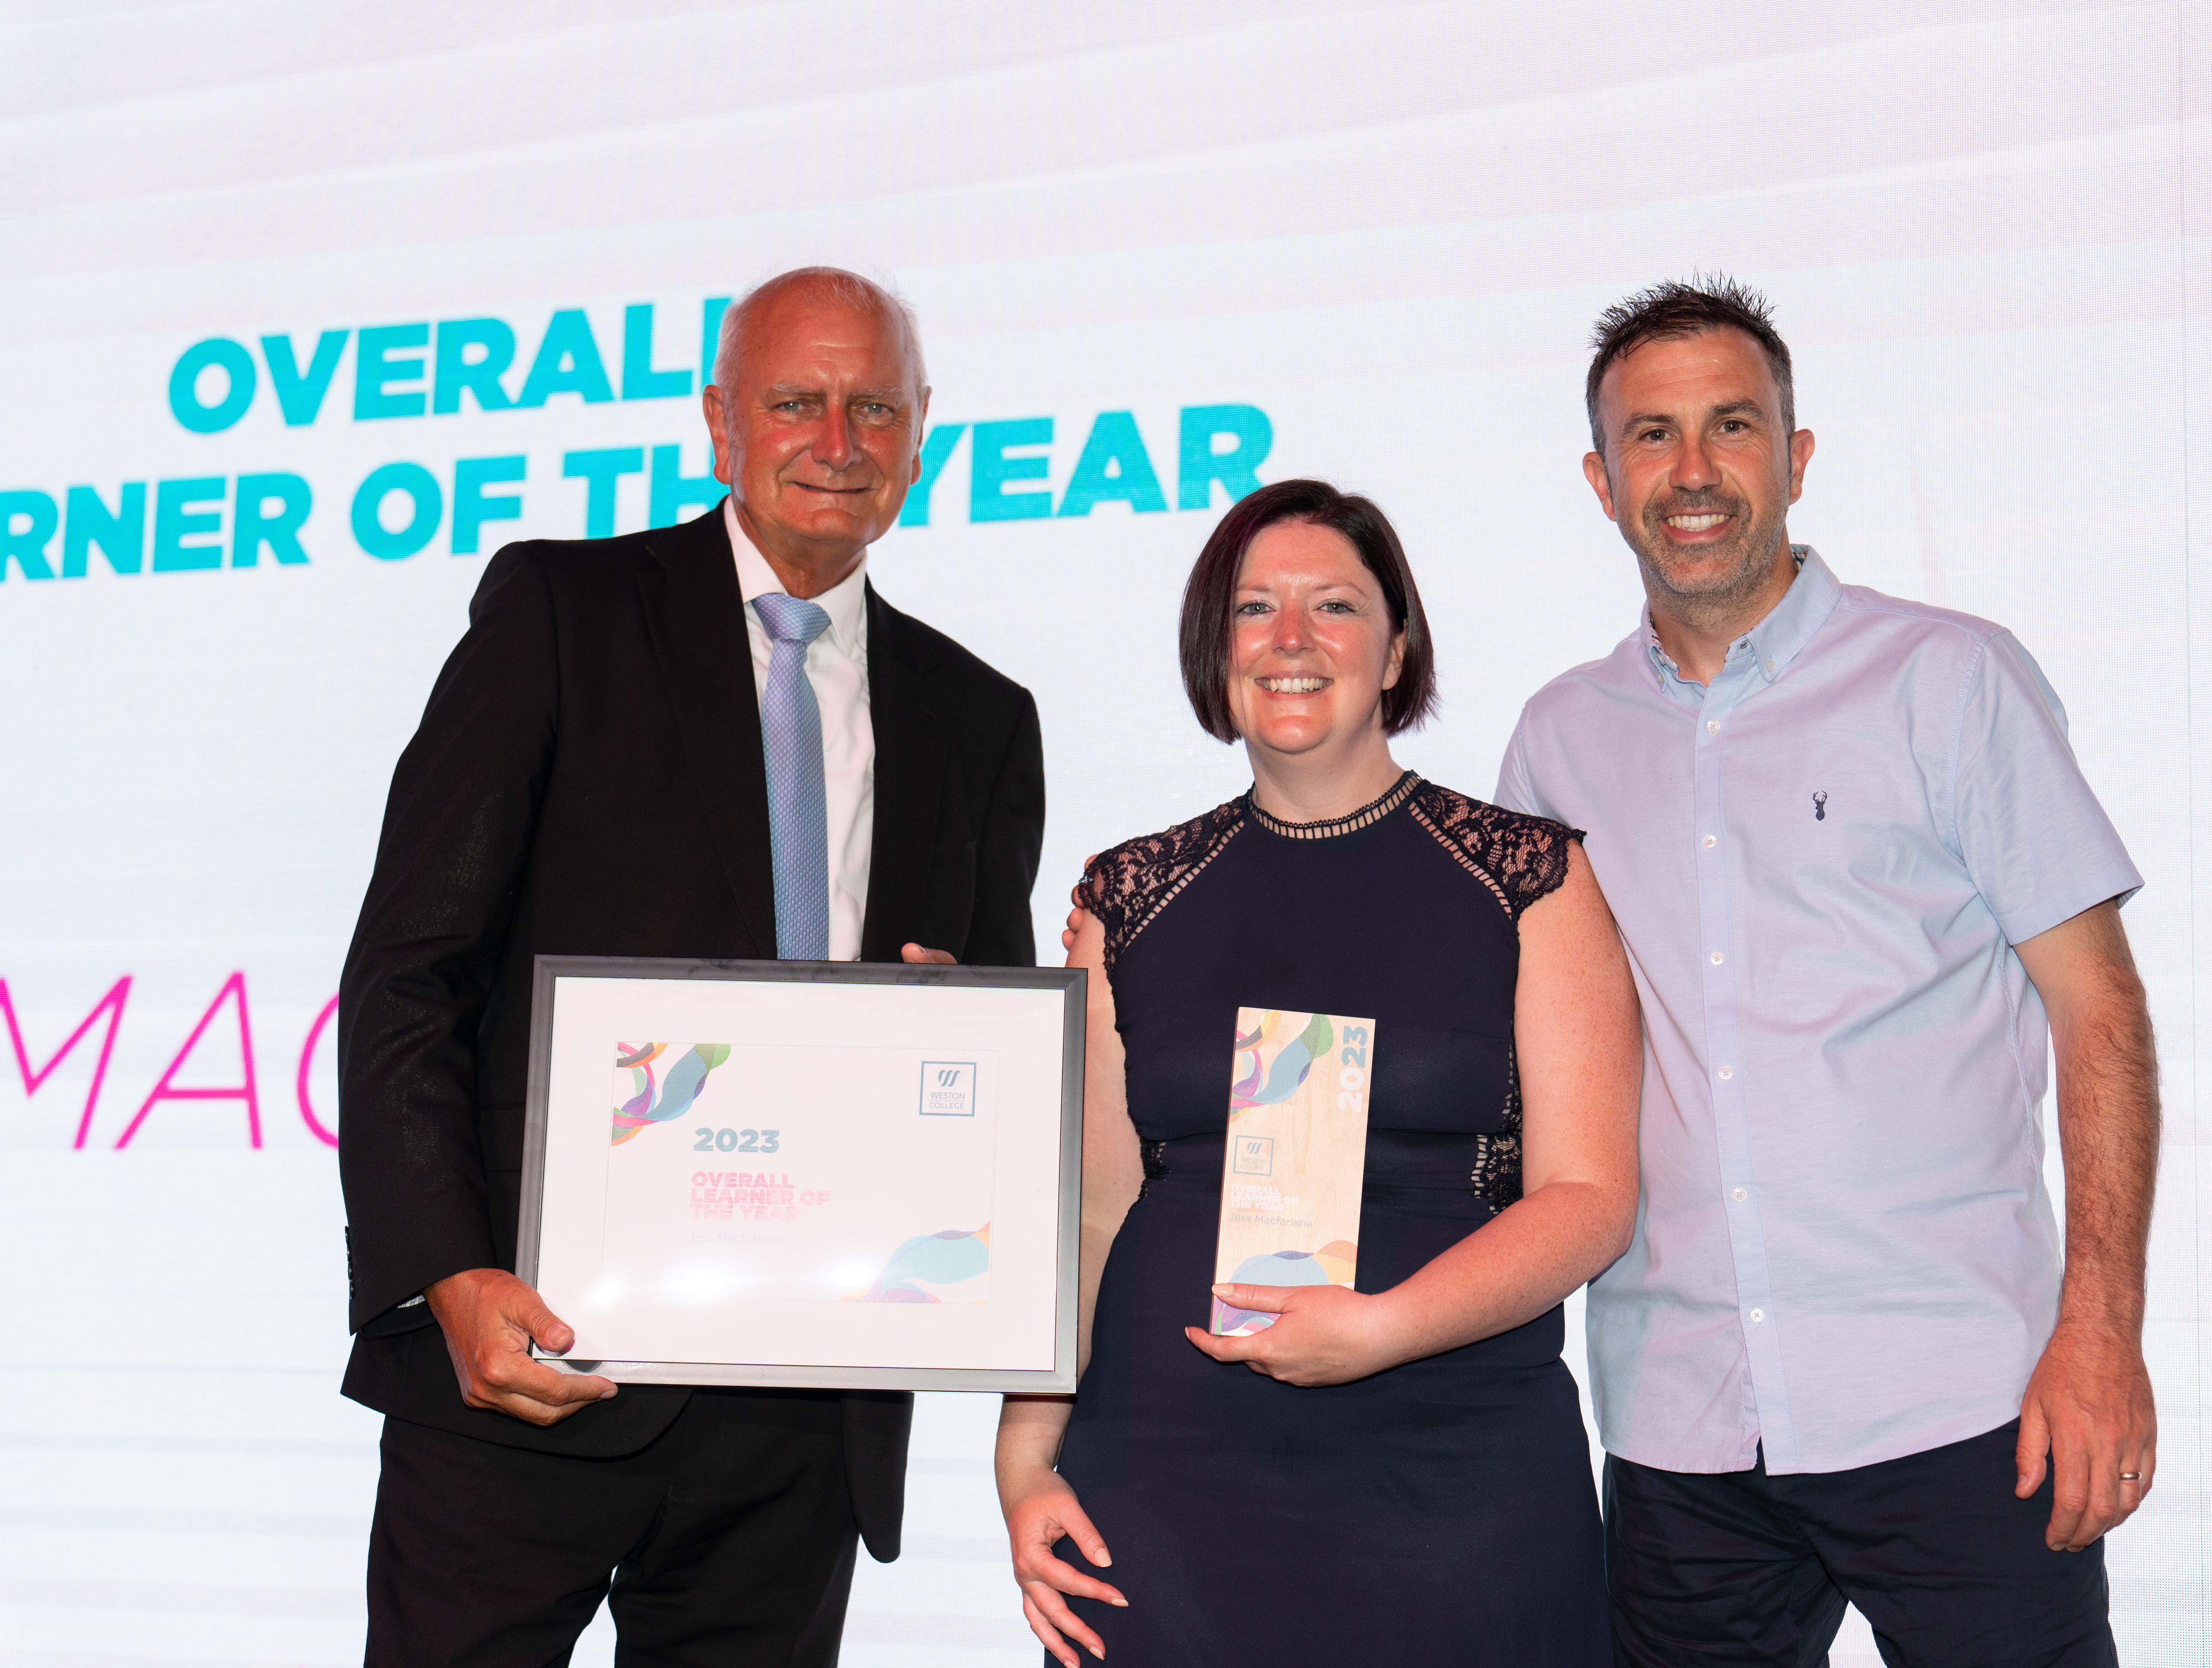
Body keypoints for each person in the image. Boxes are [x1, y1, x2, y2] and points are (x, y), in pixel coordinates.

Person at [336, 267, 1045, 1664]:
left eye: (874, 407)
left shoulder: (979, 716)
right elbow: (410, 971)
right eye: (795, 402)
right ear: (721, 422)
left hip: (799, 1425)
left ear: (921, 435)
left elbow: (990, 1055)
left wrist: (949, 1040)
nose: (836, 438)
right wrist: (450, 1276)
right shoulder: (561, 612)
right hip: (528, 1371)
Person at [1496, 276, 2160, 1666]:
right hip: (1683, 1423)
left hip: (1966, 1404)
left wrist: (2100, 1332)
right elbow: (1543, 1063)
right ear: (1600, 479)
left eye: (1731, 427)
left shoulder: (1949, 677)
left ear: (1794, 458)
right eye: (1652, 436)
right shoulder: (1558, 742)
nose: (1692, 472)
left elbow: (2099, 1010)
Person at [995, 478, 1642, 1667]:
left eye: (1334, 606)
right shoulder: (1126, 897)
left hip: (1456, 1476)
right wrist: (1025, 1458)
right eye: (1254, 610)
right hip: (1167, 1480)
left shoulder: (1529, 878)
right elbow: (1090, 1210)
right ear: (1216, 651)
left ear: (1396, 650)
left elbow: (1593, 1198)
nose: (1291, 641)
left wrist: (1385, 1329)